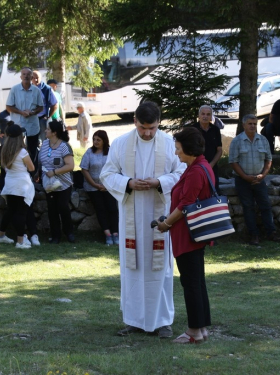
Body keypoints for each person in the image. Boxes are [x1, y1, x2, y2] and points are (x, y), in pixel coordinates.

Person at [100, 101, 185, 338]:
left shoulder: (169, 144)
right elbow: (106, 174)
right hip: (132, 218)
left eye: (153, 128)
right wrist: (128, 183)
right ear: (135, 121)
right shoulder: (120, 144)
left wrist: (160, 182)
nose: (147, 133)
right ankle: (134, 320)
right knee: (133, 268)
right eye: (143, 127)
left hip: (161, 217)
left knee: (162, 269)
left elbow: (181, 173)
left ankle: (163, 322)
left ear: (159, 123)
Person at [156, 127, 214, 344]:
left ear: (189, 150)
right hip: (191, 235)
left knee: (191, 283)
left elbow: (186, 205)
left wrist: (166, 224)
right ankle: (202, 328)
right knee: (197, 282)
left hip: (188, 236)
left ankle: (194, 332)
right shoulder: (199, 166)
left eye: (179, 149)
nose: (176, 153)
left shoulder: (196, 171)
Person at [229, 114, 280, 246]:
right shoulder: (236, 141)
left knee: (265, 206)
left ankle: (271, 233)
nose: (252, 126)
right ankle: (254, 235)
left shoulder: (263, 140)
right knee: (248, 207)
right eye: (250, 124)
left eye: (254, 123)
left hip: (260, 179)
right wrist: (245, 176)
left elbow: (268, 159)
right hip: (242, 180)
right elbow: (233, 162)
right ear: (244, 125)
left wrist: (263, 175)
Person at [0, 124, 36, 249]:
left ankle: (1, 236)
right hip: (21, 184)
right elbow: (31, 168)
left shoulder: (3, 150)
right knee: (21, 213)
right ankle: (20, 241)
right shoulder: (22, 151)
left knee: (11, 210)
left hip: (10, 183)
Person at [80, 130, 119, 245]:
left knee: (112, 209)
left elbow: (116, 169)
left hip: (109, 186)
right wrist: (94, 184)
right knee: (100, 209)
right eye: (94, 139)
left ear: (104, 141)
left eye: (98, 140)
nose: (96, 142)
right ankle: (107, 234)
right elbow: (84, 169)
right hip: (93, 187)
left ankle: (115, 234)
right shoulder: (89, 152)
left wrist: (108, 185)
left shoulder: (111, 152)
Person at [38, 120, 75, 244]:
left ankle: (69, 233)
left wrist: (54, 172)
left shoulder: (64, 146)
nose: (45, 131)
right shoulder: (44, 144)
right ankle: (55, 236)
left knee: (63, 207)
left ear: (54, 133)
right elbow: (41, 161)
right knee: (52, 209)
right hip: (49, 184)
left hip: (63, 183)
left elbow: (70, 166)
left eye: (48, 129)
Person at [6, 68, 44, 165]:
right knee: (17, 151)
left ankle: (33, 174)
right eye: (24, 74)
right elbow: (8, 106)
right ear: (20, 77)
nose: (26, 76)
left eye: (28, 74)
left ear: (32, 77)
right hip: (18, 126)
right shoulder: (15, 89)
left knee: (32, 151)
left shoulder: (36, 90)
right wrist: (21, 112)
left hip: (32, 126)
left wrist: (32, 112)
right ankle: (19, 171)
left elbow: (41, 107)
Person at [192, 105, 223, 192]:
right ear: (199, 115)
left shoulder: (215, 130)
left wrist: (211, 164)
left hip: (212, 167)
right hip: (196, 167)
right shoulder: (193, 129)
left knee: (214, 191)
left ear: (211, 116)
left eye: (208, 114)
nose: (205, 116)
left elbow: (219, 150)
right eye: (203, 114)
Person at [32, 71, 57, 143]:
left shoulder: (47, 89)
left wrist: (48, 116)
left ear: (41, 78)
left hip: (42, 119)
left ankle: (46, 153)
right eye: (33, 78)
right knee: (32, 140)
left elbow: (54, 104)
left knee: (45, 140)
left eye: (37, 78)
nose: (35, 80)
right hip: (31, 119)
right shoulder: (28, 88)